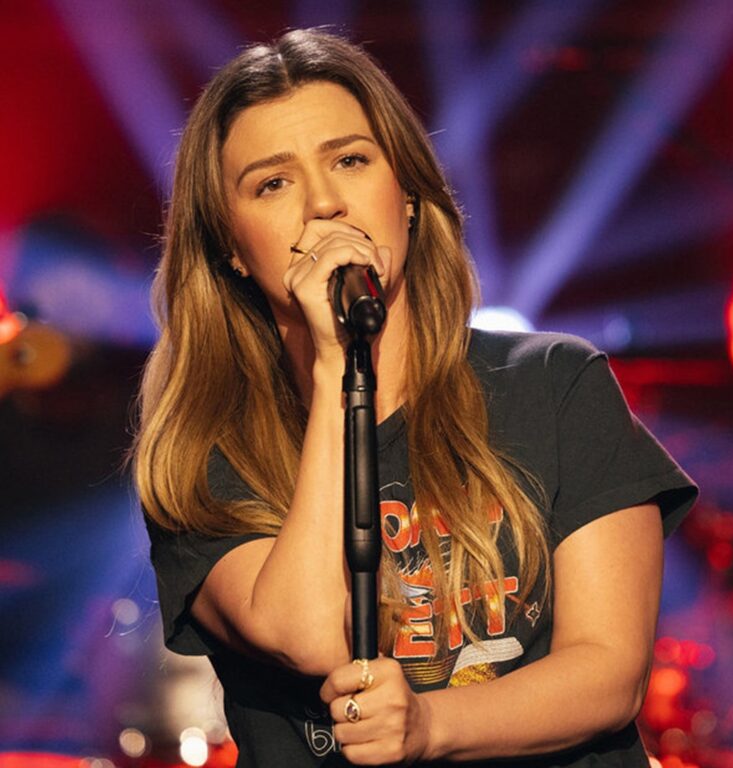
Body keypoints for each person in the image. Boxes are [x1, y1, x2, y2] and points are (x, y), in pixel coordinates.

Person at [134, 28, 697, 767]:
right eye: (273, 183)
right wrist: (337, 368)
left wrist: (429, 725)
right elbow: (311, 636)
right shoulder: (205, 454)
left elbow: (607, 674)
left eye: (350, 160)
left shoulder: (555, 384)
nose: (325, 203)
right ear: (231, 248)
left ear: (405, 195)